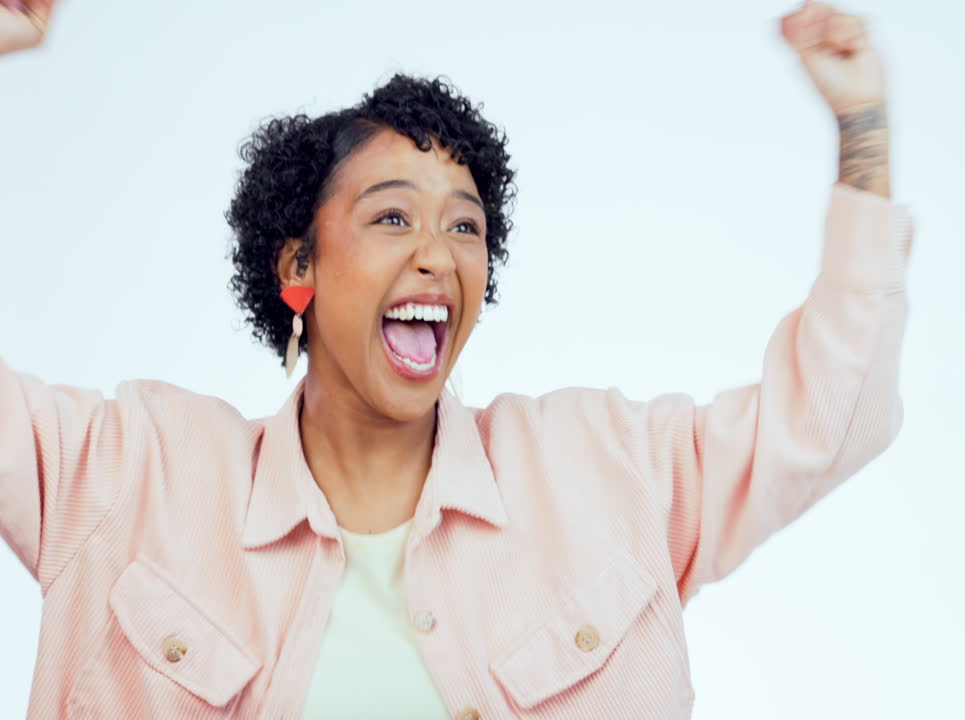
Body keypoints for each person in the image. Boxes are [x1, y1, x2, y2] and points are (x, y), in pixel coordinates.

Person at [0, 1, 915, 718]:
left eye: (466, 227)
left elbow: (829, 419)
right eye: (393, 216)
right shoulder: (126, 474)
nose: (439, 254)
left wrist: (863, 131)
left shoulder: (605, 468)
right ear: (298, 264)